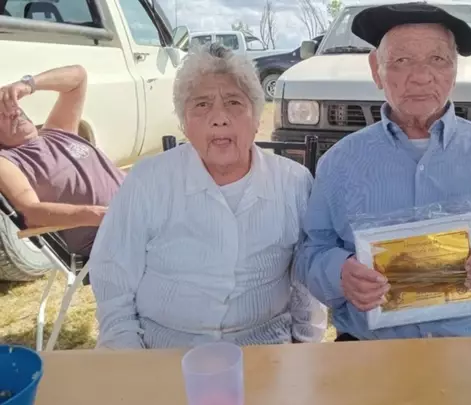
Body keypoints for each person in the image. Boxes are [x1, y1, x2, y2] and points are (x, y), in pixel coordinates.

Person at [297, 3, 471, 341]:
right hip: (372, 352)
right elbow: (311, 252)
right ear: (376, 70)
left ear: (454, 70)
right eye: (402, 61)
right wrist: (339, 273)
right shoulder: (339, 163)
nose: (421, 76)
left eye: (437, 59)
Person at [88, 43, 327, 349]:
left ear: (256, 118)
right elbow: (113, 284)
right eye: (201, 104)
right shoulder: (147, 181)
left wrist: (305, 349)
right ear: (184, 123)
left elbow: (307, 284)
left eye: (234, 102)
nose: (219, 117)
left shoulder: (293, 182)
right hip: (163, 350)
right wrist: (135, 362)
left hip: (264, 350)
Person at [0, 65, 124, 257]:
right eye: (2, 114)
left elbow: (78, 78)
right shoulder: (8, 162)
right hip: (112, 235)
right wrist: (100, 215)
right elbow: (33, 212)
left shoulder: (58, 130)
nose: (14, 111)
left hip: (147, 208)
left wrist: (28, 84)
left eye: (11, 104)